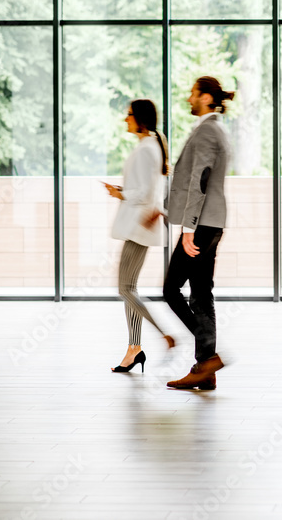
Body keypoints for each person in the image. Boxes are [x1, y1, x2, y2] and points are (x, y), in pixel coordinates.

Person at [163, 76, 234, 391]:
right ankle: (206, 372)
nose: (188, 98)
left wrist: (188, 227)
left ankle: (208, 357)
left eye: (193, 93)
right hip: (212, 221)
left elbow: (201, 178)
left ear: (206, 97)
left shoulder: (207, 130)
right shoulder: (217, 128)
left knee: (171, 289)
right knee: (201, 294)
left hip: (201, 223)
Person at [105, 99, 174, 373]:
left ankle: (164, 335)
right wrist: (123, 190)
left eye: (129, 115)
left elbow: (145, 194)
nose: (125, 119)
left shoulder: (147, 149)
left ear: (141, 119)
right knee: (129, 288)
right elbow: (146, 188)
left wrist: (120, 193)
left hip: (138, 226)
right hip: (139, 224)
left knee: (125, 289)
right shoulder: (150, 145)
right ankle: (134, 349)